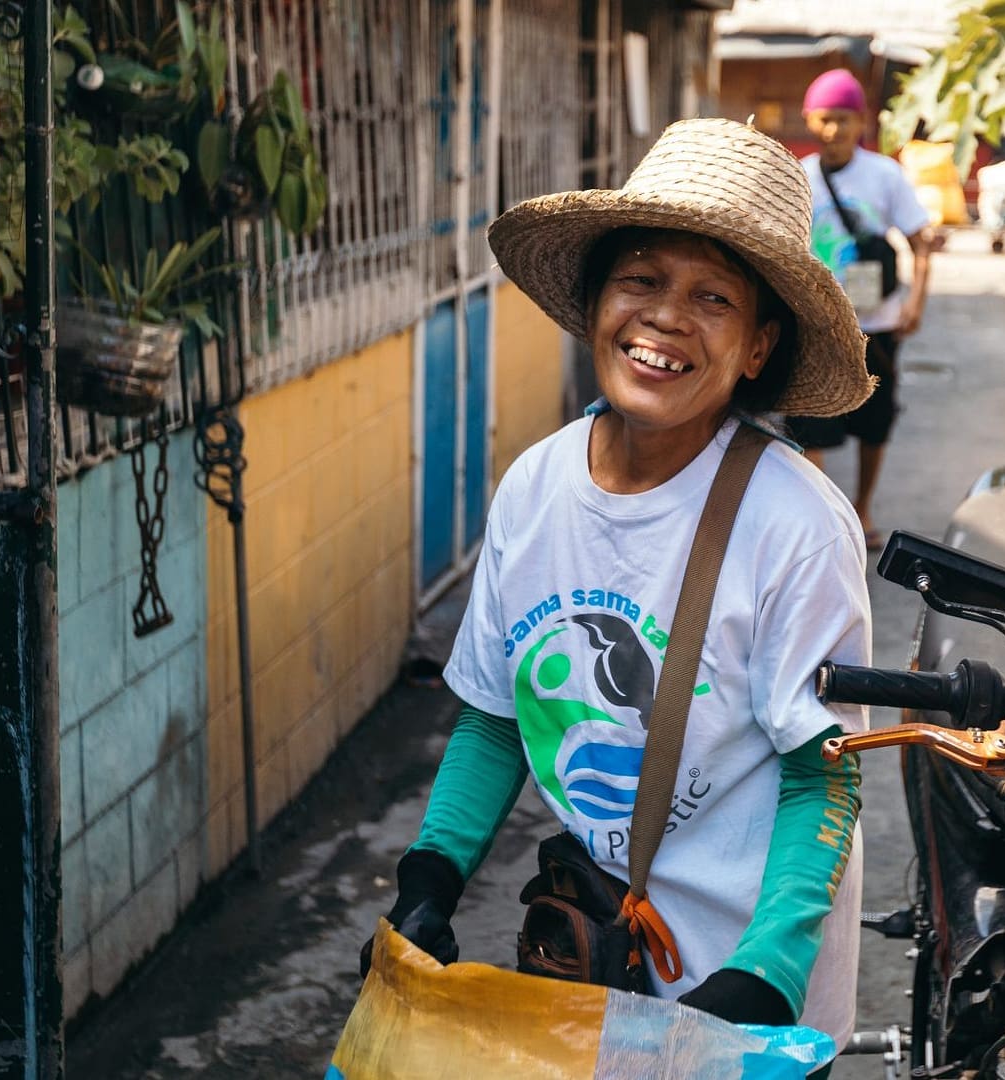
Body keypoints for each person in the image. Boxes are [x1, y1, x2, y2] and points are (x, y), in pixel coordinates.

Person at [360, 118, 874, 1052]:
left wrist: (766, 973)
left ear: (760, 347)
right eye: (640, 278)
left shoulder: (796, 526)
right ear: (595, 300)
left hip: (747, 979)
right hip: (591, 955)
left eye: (713, 296)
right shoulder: (534, 487)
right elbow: (494, 716)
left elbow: (822, 778)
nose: (666, 318)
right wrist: (427, 884)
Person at [788, 68, 936, 548]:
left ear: (861, 123)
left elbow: (921, 242)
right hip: (817, 325)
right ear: (810, 120)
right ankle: (827, 519)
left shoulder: (884, 175)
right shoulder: (798, 178)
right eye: (826, 119)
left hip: (878, 324)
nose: (835, 130)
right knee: (811, 422)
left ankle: (863, 508)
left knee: (875, 422)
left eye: (845, 119)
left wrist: (915, 301)